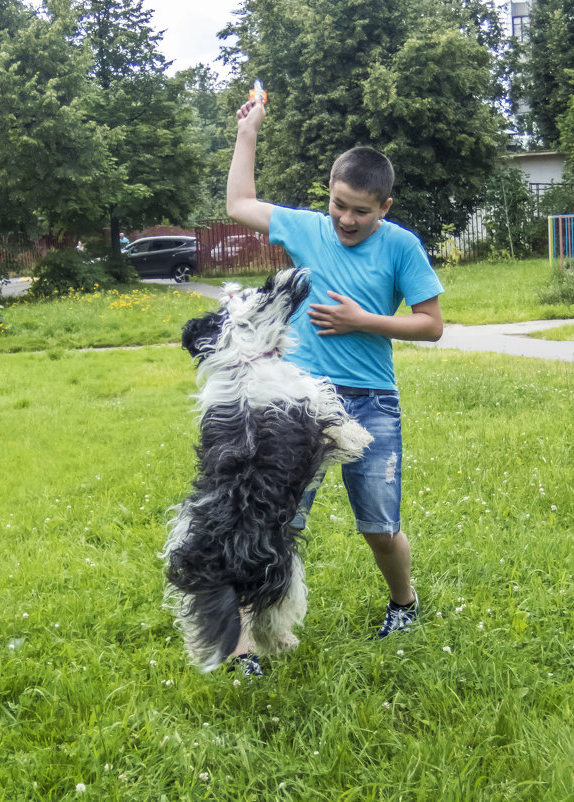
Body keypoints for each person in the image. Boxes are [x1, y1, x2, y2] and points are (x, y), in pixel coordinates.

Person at [226, 97, 444, 674]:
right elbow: (239, 202)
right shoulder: (309, 228)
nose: (347, 220)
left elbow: (432, 324)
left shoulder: (400, 246)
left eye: (362, 212)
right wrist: (249, 132)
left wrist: (363, 321)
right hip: (299, 404)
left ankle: (405, 603)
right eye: (339, 206)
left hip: (372, 404)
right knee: (273, 521)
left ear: (385, 206)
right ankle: (247, 641)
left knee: (378, 524)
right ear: (329, 194)